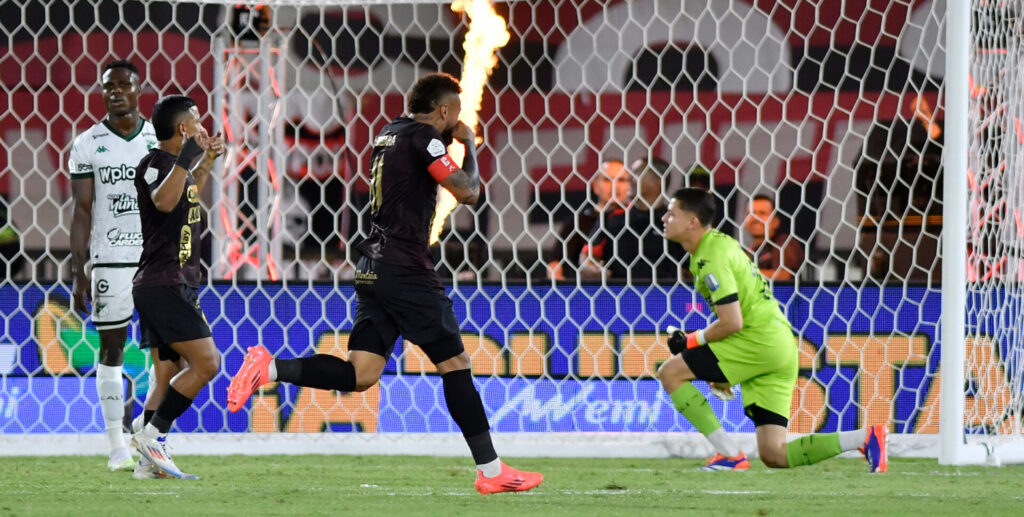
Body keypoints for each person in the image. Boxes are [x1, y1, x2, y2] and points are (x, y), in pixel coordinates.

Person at [226, 73, 543, 495]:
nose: (457, 123)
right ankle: (491, 471)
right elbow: (467, 193)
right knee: (456, 365)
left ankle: (268, 367)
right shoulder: (426, 138)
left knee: (361, 374)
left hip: (372, 266)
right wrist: (469, 148)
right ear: (444, 112)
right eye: (456, 117)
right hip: (406, 271)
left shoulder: (388, 134)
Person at [657, 188, 886, 472]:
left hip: (757, 341)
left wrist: (692, 341)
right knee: (774, 453)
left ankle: (729, 455)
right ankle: (866, 438)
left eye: (672, 212)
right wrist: (723, 364)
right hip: (778, 345)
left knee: (670, 372)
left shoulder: (709, 258)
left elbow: (732, 322)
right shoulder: (717, 245)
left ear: (692, 221)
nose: (664, 217)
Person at [68, 60, 161, 472]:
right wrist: (78, 270)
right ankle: (115, 445)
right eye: (109, 87)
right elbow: (82, 211)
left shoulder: (159, 139)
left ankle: (148, 431)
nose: (116, 92)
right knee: (111, 348)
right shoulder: (88, 143)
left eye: (124, 85)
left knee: (167, 354)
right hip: (109, 257)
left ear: (139, 89)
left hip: (156, 258)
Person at [129, 95, 225, 480]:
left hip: (173, 281)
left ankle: (147, 465)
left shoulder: (178, 169)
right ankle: (152, 434)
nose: (204, 126)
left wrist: (208, 163)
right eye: (197, 120)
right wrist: (188, 157)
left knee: (166, 377)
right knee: (207, 363)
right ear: (183, 129)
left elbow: (187, 196)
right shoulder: (156, 163)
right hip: (164, 283)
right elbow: (165, 202)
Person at [579, 157, 684, 282]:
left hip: (662, 296)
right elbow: (587, 256)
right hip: (618, 295)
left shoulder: (675, 221)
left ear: (657, 182)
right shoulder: (611, 217)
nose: (628, 178)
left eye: (636, 173)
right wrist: (590, 269)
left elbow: (688, 266)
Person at [545, 159, 631, 281]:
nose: (615, 185)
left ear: (631, 186)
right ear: (595, 186)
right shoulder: (579, 222)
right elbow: (555, 264)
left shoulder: (636, 222)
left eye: (621, 180)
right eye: (607, 180)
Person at [742, 194, 804, 282]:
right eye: (750, 213)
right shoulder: (747, 252)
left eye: (762, 213)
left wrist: (743, 274)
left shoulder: (784, 242)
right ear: (744, 219)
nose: (755, 218)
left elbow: (784, 275)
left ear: (775, 221)